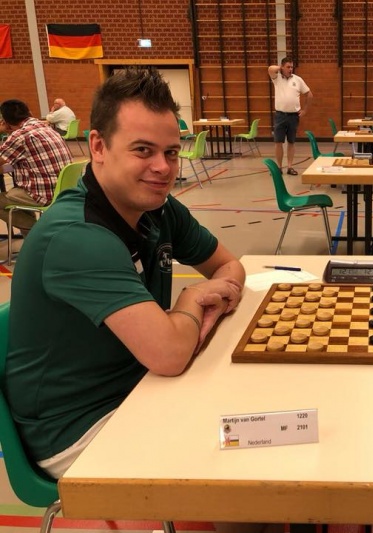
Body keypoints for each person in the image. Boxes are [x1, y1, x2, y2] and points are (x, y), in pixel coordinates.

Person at [4, 67, 246, 480]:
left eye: (171, 152)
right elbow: (169, 354)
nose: (163, 167)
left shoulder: (160, 209)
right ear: (99, 146)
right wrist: (191, 300)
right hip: (77, 430)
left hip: (142, 384)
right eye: (143, 150)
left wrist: (192, 319)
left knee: (260, 422)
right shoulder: (77, 236)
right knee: (247, 454)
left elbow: (230, 266)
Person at [0, 99, 73, 234]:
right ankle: (35, 238)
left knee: (7, 198)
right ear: (29, 113)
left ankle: (40, 233)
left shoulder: (20, 135)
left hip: (44, 194)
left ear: (6, 121)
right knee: (18, 192)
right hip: (64, 189)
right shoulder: (45, 127)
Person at [268, 56, 313, 175]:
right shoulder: (277, 78)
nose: (290, 69)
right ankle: (279, 167)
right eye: (288, 67)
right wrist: (281, 69)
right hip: (280, 115)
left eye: (292, 67)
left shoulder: (298, 80)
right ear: (282, 67)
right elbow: (270, 69)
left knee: (291, 142)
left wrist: (305, 110)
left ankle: (289, 167)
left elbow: (309, 95)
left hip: (293, 116)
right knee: (278, 142)